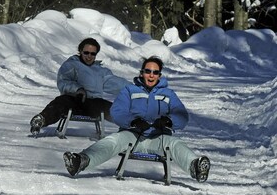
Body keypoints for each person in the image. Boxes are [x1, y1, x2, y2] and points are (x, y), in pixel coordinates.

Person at [63, 56, 211, 183]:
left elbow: (182, 116)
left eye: (155, 72)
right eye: (148, 71)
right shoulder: (130, 91)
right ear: (142, 73)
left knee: (175, 144)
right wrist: (132, 121)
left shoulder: (168, 94)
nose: (151, 75)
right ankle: (81, 161)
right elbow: (116, 111)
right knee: (113, 140)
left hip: (158, 138)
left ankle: (195, 167)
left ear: (159, 75)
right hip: (132, 135)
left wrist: (169, 121)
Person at [30, 37, 130, 135]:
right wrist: (77, 88)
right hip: (74, 100)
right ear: (80, 51)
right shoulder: (71, 65)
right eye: (86, 52)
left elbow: (116, 83)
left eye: (93, 54)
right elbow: (63, 81)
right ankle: (42, 120)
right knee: (61, 102)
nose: (89, 56)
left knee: (113, 109)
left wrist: (134, 90)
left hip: (94, 104)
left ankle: (134, 126)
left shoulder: (100, 71)